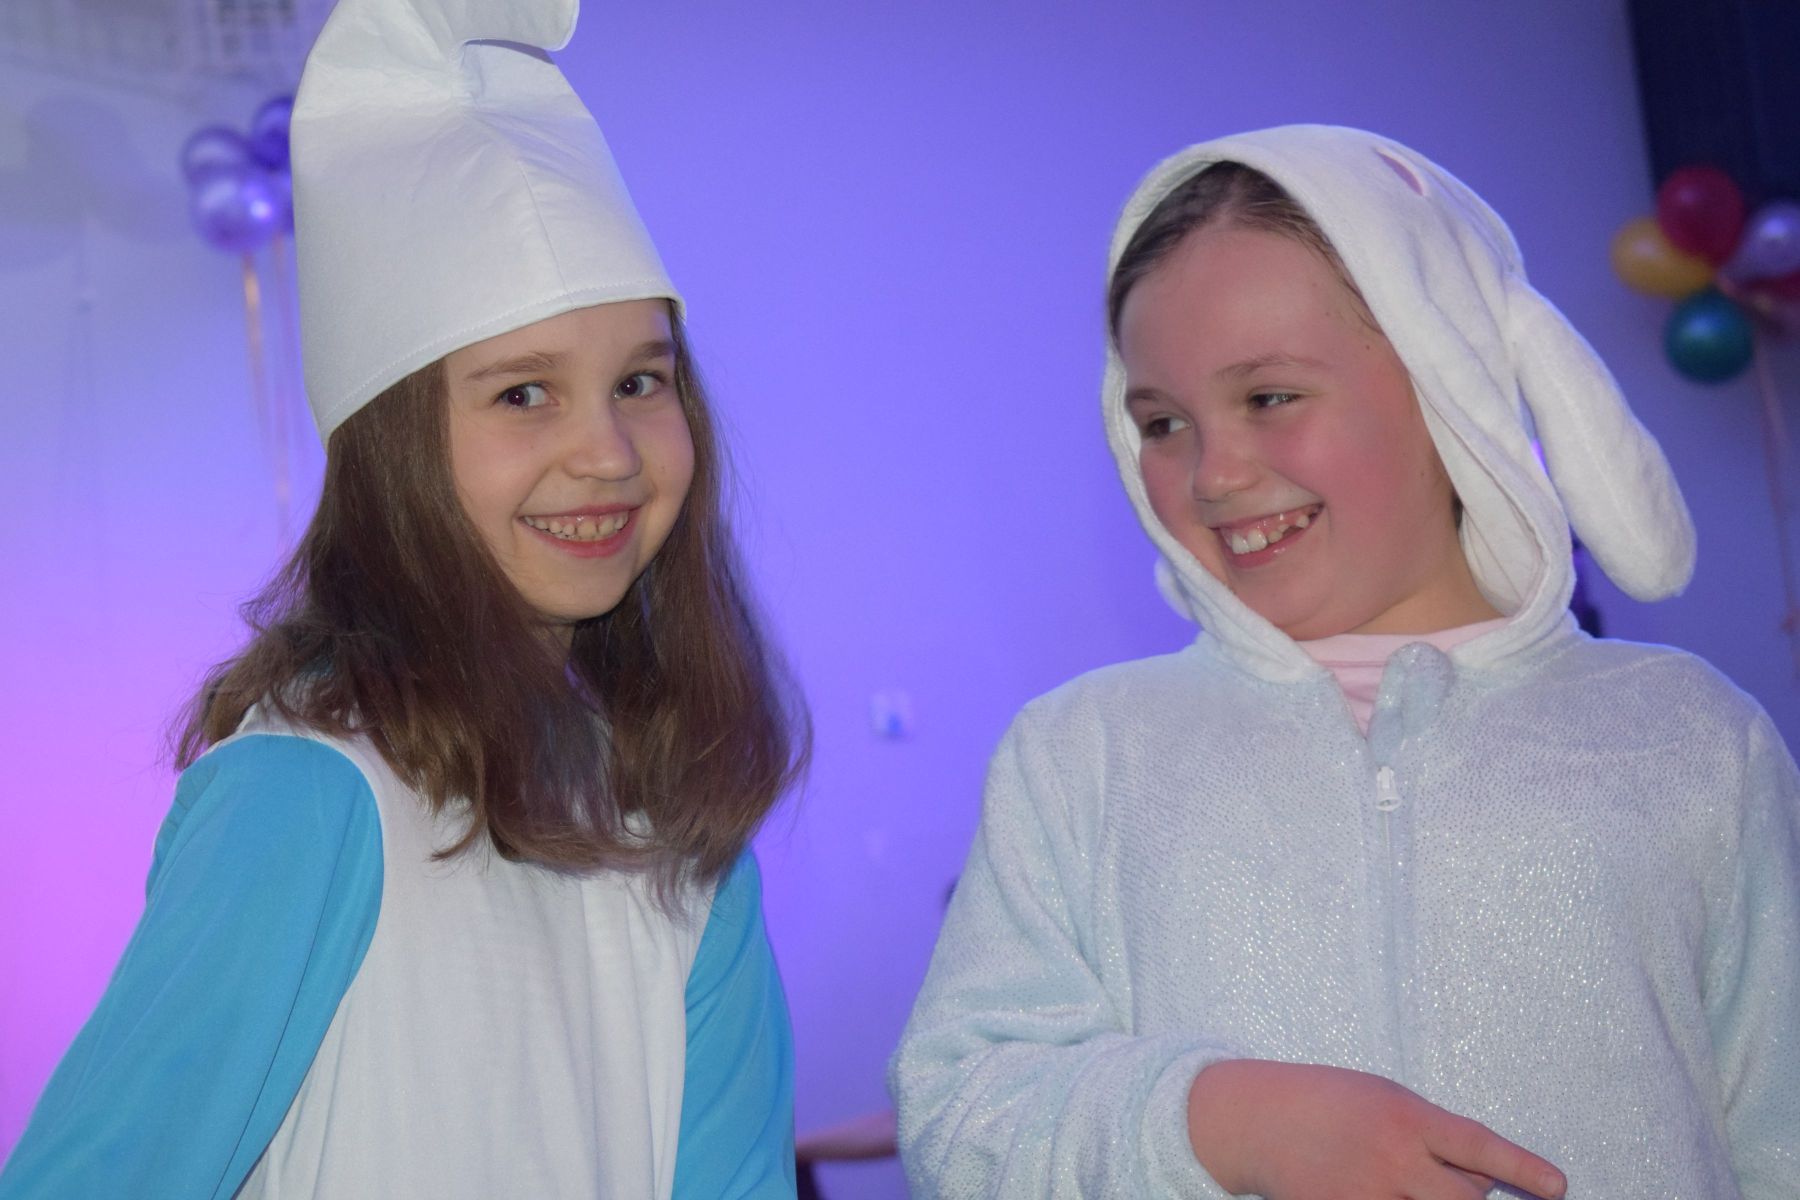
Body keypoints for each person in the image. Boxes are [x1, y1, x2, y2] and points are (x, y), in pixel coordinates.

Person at [889, 124, 1799, 1198]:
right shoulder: (1081, 755)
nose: (1213, 473)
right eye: (1163, 422)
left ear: (1448, 382)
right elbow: (961, 1111)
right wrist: (1218, 1123)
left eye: (1268, 398)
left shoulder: (1689, 739)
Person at [0, 0, 804, 1195]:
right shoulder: (308, 793)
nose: (609, 453)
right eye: (523, 393)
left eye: (642, 381)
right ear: (393, 449)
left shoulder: (678, 835)